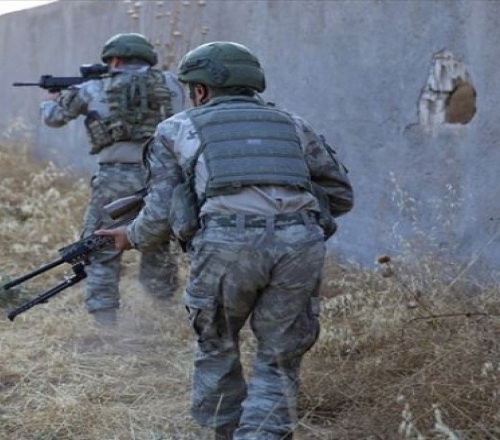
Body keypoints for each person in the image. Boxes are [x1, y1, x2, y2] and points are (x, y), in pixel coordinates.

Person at [97, 42, 353, 439]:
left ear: (200, 90)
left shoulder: (176, 129)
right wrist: (292, 221)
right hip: (300, 247)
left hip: (225, 247)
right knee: (279, 358)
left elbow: (159, 214)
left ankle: (223, 430)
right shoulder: (293, 124)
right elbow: (340, 194)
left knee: (217, 345)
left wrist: (129, 236)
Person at [41, 33, 186, 326]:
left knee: (101, 245)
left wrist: (52, 100)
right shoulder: (171, 84)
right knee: (158, 240)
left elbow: (54, 118)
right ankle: (163, 314)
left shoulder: (92, 88)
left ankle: (105, 321)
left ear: (115, 60)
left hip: (115, 177)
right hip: (163, 176)